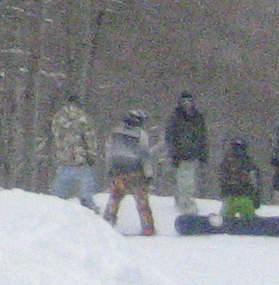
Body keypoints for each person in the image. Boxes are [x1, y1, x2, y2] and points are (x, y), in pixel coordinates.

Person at [103, 110, 157, 236]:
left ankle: (106, 223)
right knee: (142, 201)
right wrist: (149, 173)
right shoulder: (140, 134)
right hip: (136, 172)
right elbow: (145, 155)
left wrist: (109, 168)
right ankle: (148, 227)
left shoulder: (115, 132)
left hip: (119, 171)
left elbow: (109, 151)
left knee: (115, 198)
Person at [46, 98, 98, 211]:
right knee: (86, 193)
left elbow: (55, 137)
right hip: (80, 160)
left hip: (63, 160)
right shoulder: (82, 118)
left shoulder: (58, 118)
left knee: (57, 195)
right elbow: (90, 138)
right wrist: (92, 154)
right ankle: (93, 216)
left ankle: (53, 214)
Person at [164, 89, 208, 218]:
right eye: (184, 101)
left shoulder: (198, 118)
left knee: (188, 182)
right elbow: (170, 136)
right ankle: (186, 206)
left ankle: (184, 203)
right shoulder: (176, 117)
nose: (187, 103)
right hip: (181, 154)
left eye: (189, 100)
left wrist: (203, 154)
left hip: (193, 154)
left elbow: (203, 136)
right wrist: (173, 153)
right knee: (184, 182)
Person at [217, 138, 260, 222]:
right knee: (250, 221)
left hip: (229, 198)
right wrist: (256, 198)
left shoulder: (225, 162)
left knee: (224, 220)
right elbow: (255, 183)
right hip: (244, 198)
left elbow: (222, 181)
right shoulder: (248, 163)